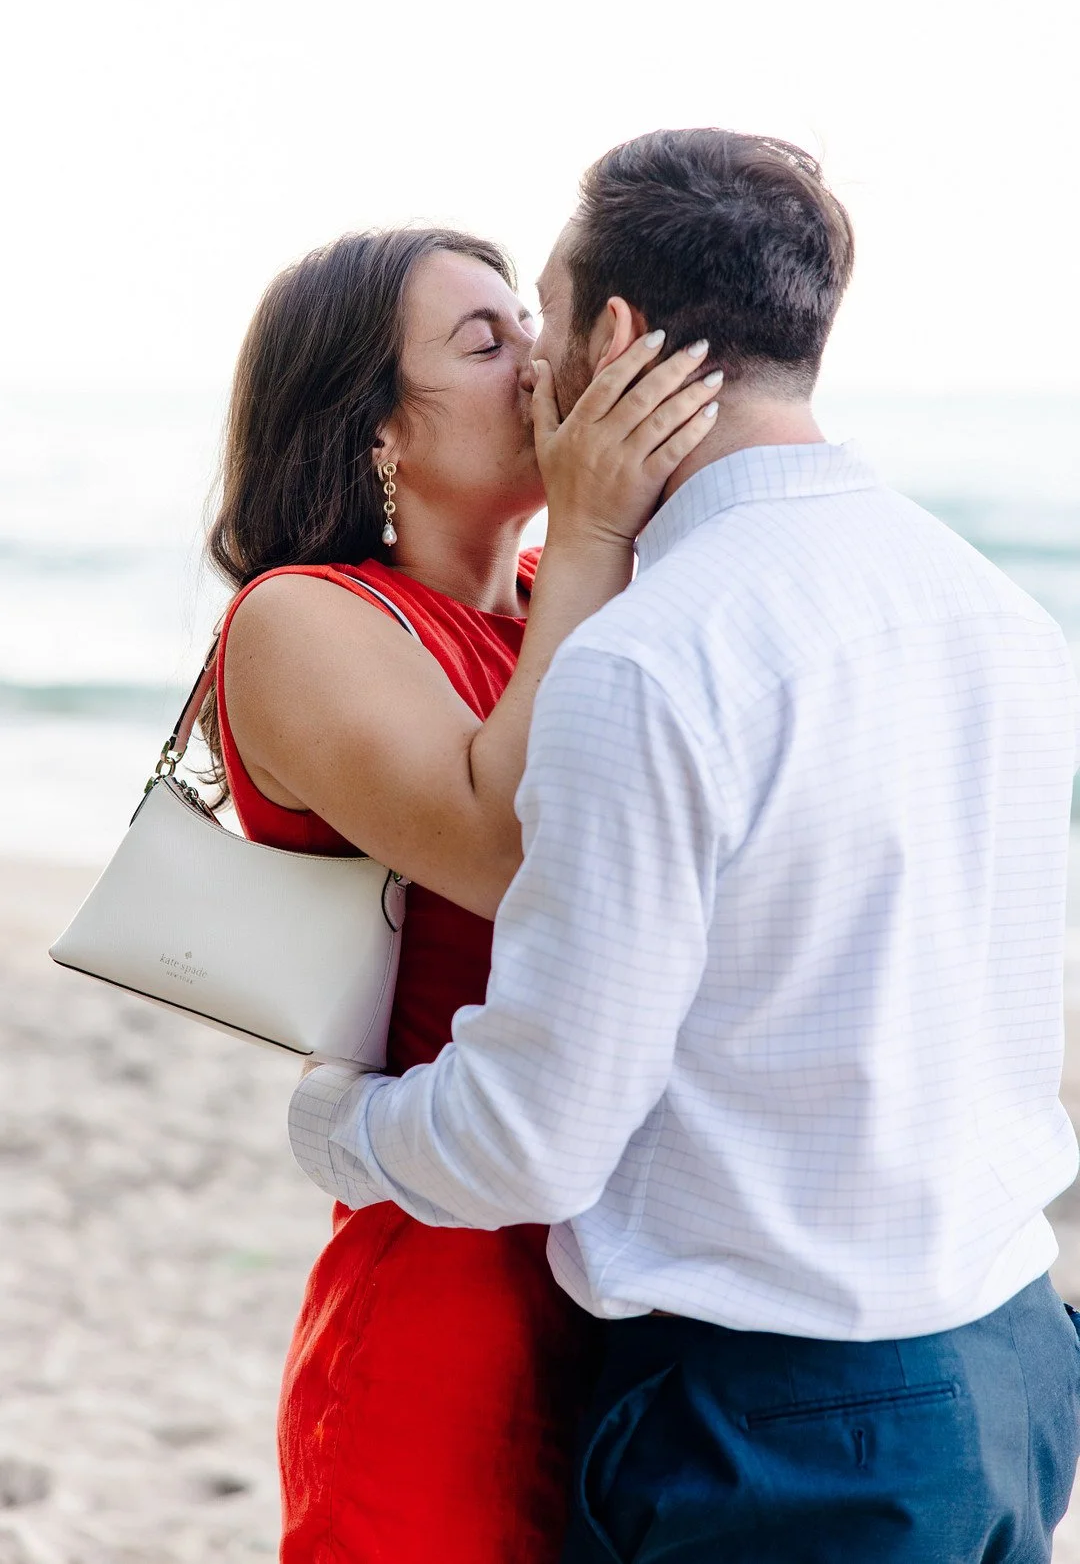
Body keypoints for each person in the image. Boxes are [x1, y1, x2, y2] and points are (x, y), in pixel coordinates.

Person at [290, 129, 1080, 1563]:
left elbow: (536, 1137)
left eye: (539, 318)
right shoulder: (1000, 612)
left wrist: (336, 1123)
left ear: (615, 335)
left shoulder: (652, 656)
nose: (532, 368)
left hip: (785, 1416)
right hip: (1014, 1351)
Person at [202, 225, 720, 1562]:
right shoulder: (303, 619)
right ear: (375, 430)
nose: (536, 367)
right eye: (482, 343)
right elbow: (508, 848)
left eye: (526, 330)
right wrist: (598, 523)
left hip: (635, 1272)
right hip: (450, 1288)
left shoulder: (566, 595)